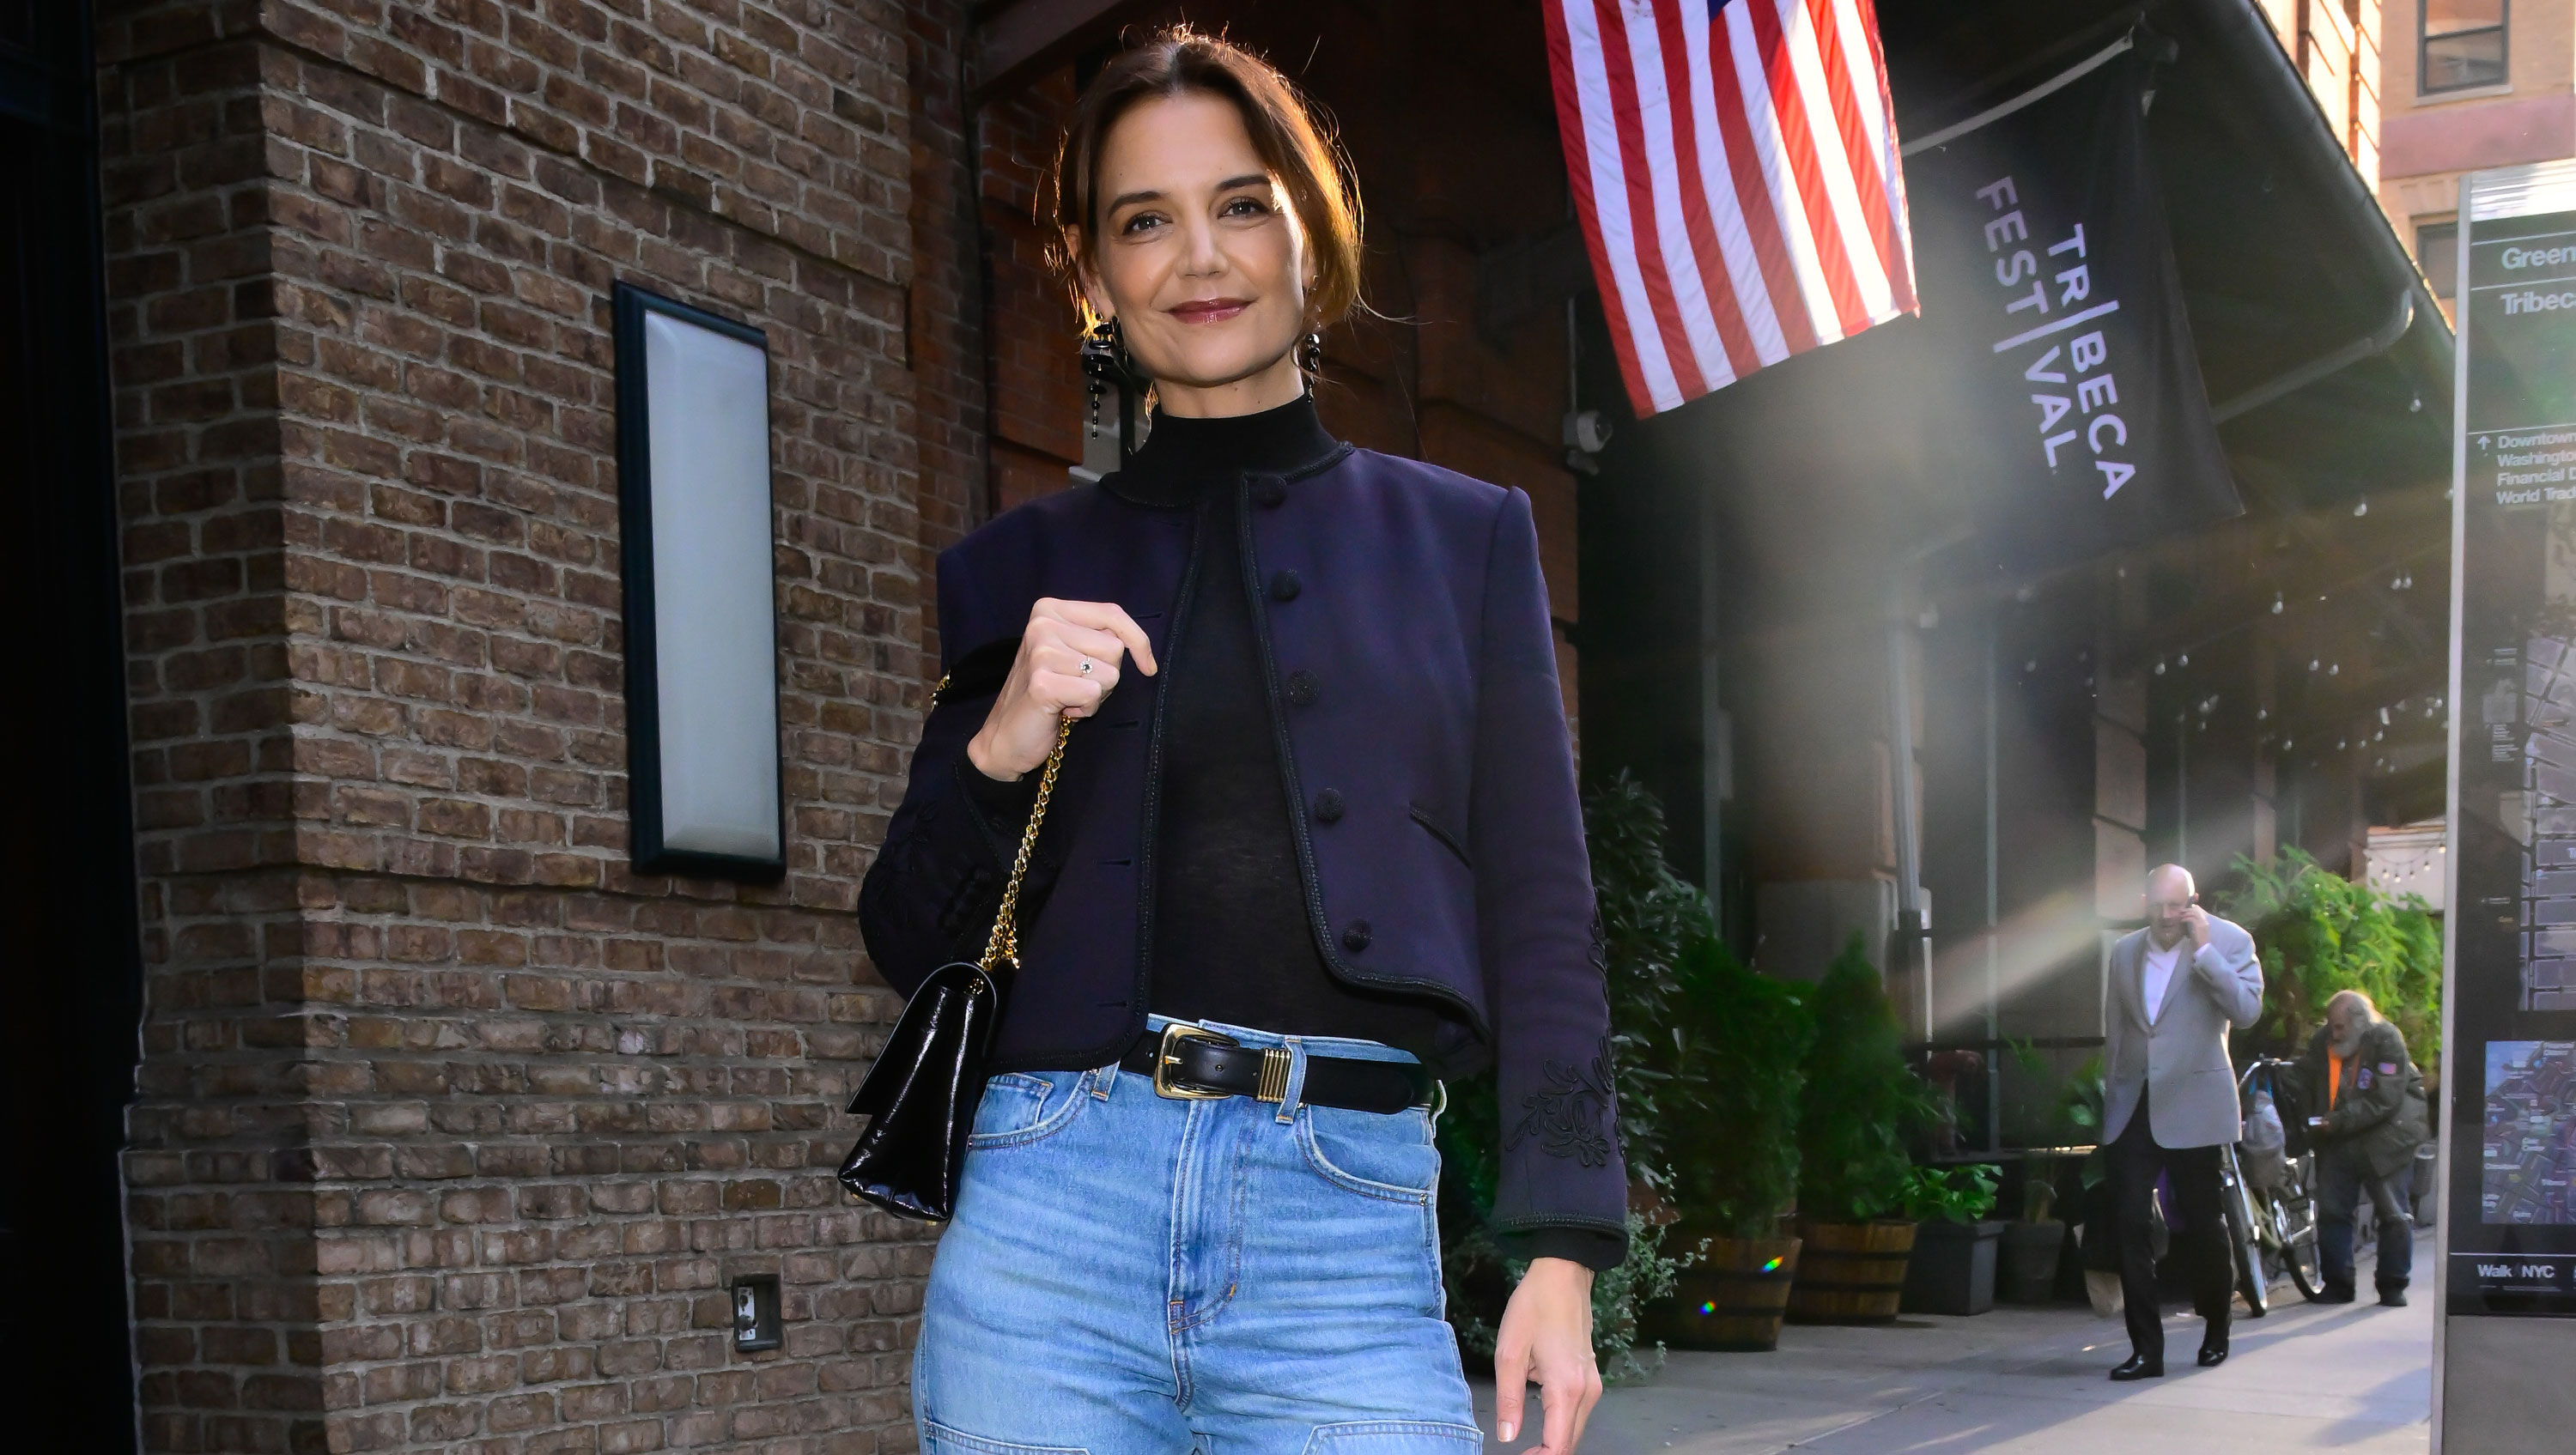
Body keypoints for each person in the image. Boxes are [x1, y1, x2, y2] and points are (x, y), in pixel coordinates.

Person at [855, 28, 1622, 1455]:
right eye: (1145, 219)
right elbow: (904, 931)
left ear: (1311, 237)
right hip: (1048, 1238)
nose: (1198, 256)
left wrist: (1563, 1250)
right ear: (1091, 274)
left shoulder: (1466, 542)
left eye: (1241, 203)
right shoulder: (1016, 566)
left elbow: (1543, 913)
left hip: (1345, 1234)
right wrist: (1004, 741)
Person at [2099, 864, 2264, 1379]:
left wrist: (2206, 951)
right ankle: (2146, 1349)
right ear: (2144, 900)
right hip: (2136, 1105)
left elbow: (2248, 1010)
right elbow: (2118, 1028)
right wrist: (2112, 1095)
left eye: (2178, 906)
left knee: (2202, 1223)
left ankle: (2217, 1325)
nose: (2167, 917)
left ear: (2194, 901)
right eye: (2158, 906)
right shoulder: (2125, 950)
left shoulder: (2230, 941)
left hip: (2195, 1103)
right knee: (2128, 1221)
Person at [2293, 989, 2425, 1306]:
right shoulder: (2324, 1041)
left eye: (2339, 1027)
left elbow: (2386, 1099)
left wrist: (2339, 1119)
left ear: (2359, 1021)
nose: (2333, 1033)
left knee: (2393, 1213)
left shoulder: (2386, 1040)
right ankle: (2338, 1285)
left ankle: (2393, 1285)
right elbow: (2306, 1078)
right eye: (2330, 1025)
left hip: (2387, 1138)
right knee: (2333, 1212)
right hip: (2339, 1136)